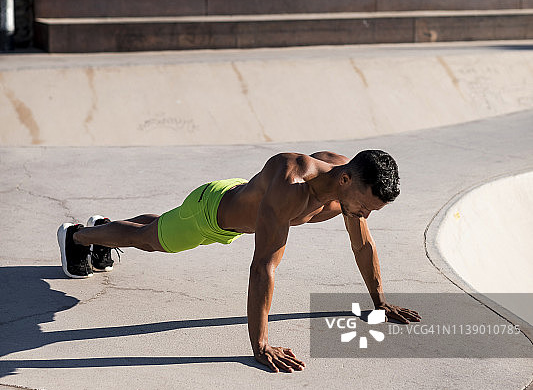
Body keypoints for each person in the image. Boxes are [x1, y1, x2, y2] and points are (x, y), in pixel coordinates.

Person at [57, 149, 420, 372]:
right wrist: (260, 346)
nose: (364, 216)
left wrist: (380, 303)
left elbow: (362, 246)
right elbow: (263, 265)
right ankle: (77, 236)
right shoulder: (291, 185)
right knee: (147, 239)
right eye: (365, 206)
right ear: (344, 180)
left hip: (244, 201)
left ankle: (100, 228)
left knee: (153, 227)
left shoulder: (349, 176)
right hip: (211, 213)